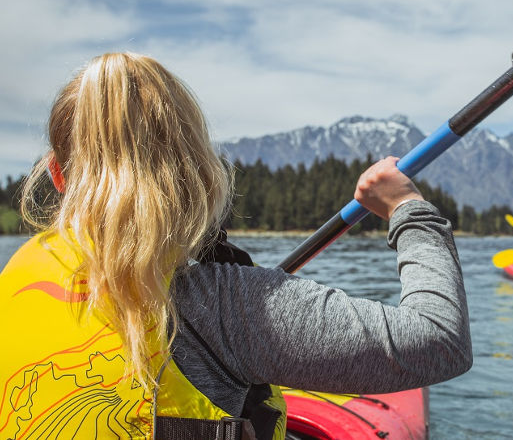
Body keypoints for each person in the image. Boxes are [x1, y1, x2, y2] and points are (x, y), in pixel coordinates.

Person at [0, 52, 471, 440]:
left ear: (57, 176)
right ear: (198, 170)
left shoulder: (15, 278)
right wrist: (407, 208)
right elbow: (441, 340)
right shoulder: (228, 303)